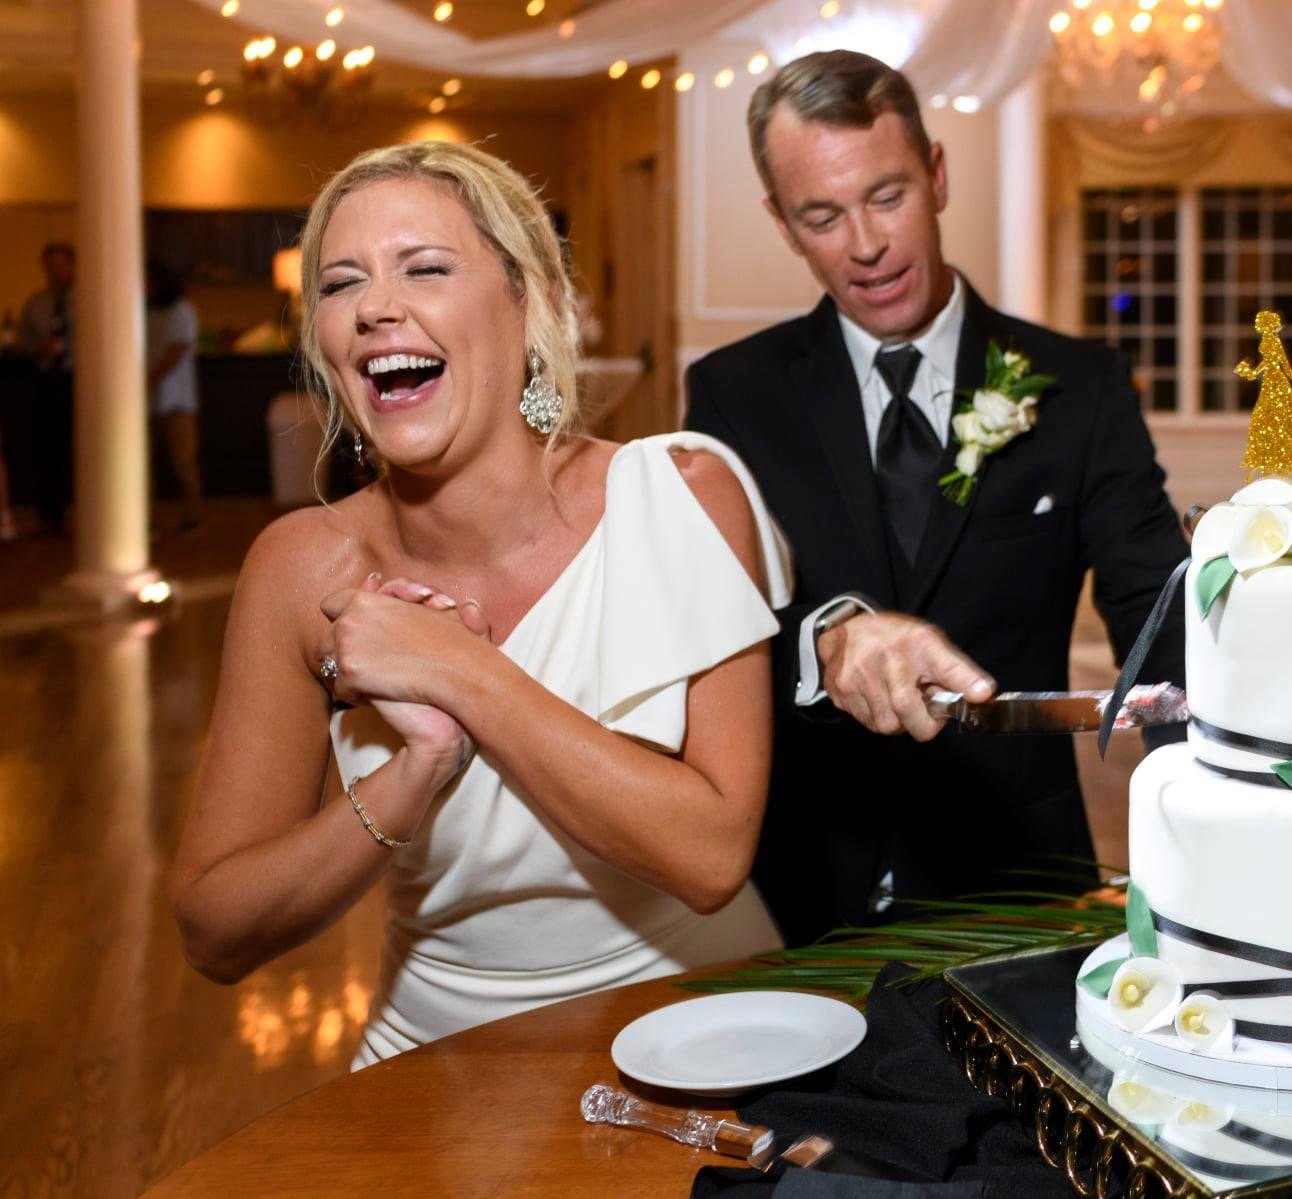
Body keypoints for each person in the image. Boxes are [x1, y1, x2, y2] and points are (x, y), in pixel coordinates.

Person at [171, 142, 787, 1067]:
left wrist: (461, 672)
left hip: (705, 1026)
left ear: (529, 303)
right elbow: (214, 931)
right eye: (340, 283)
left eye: (424, 268)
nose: (376, 306)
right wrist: (414, 772)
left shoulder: (681, 496)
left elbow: (710, 859)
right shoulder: (300, 567)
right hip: (437, 1058)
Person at [685, 52, 1188, 947]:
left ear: (938, 176)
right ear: (783, 225)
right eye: (822, 216)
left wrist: (1226, 809)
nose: (865, 246)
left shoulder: (1081, 389)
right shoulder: (733, 394)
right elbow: (710, 624)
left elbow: (1158, 620)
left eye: (887, 197)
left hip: (1016, 878)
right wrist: (824, 642)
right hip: (799, 886)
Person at [18, 242, 74, 535]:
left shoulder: (88, 299)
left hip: (77, 381)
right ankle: (49, 516)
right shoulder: (36, 303)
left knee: (78, 450)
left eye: (60, 265)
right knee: (46, 449)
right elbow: (22, 343)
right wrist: (39, 348)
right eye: (50, 266)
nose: (55, 272)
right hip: (46, 381)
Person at [146, 259, 206, 529]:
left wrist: (150, 379)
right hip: (147, 400)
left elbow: (178, 350)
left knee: (183, 462)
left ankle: (193, 517)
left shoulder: (182, 311)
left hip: (177, 399)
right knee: (143, 466)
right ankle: (145, 522)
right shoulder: (144, 310)